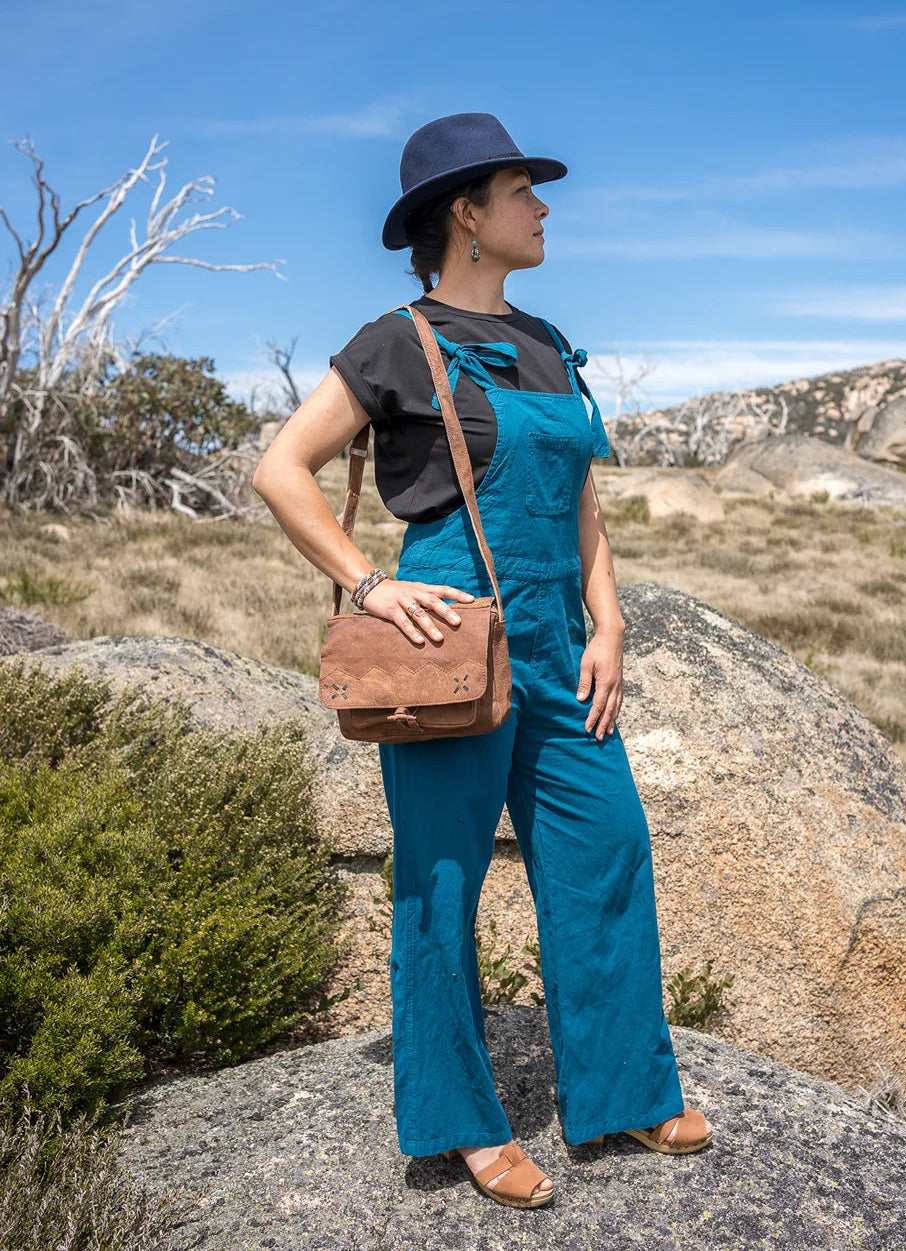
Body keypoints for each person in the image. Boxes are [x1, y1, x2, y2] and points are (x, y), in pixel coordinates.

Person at [252, 112, 714, 1210]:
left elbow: (580, 496)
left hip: (558, 635)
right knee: (442, 879)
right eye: (522, 191)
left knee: (607, 846)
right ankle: (461, 1121)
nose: (543, 208)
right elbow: (281, 468)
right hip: (447, 635)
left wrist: (609, 624)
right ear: (466, 213)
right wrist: (370, 583)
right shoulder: (394, 342)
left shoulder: (546, 340)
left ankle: (624, 1087)